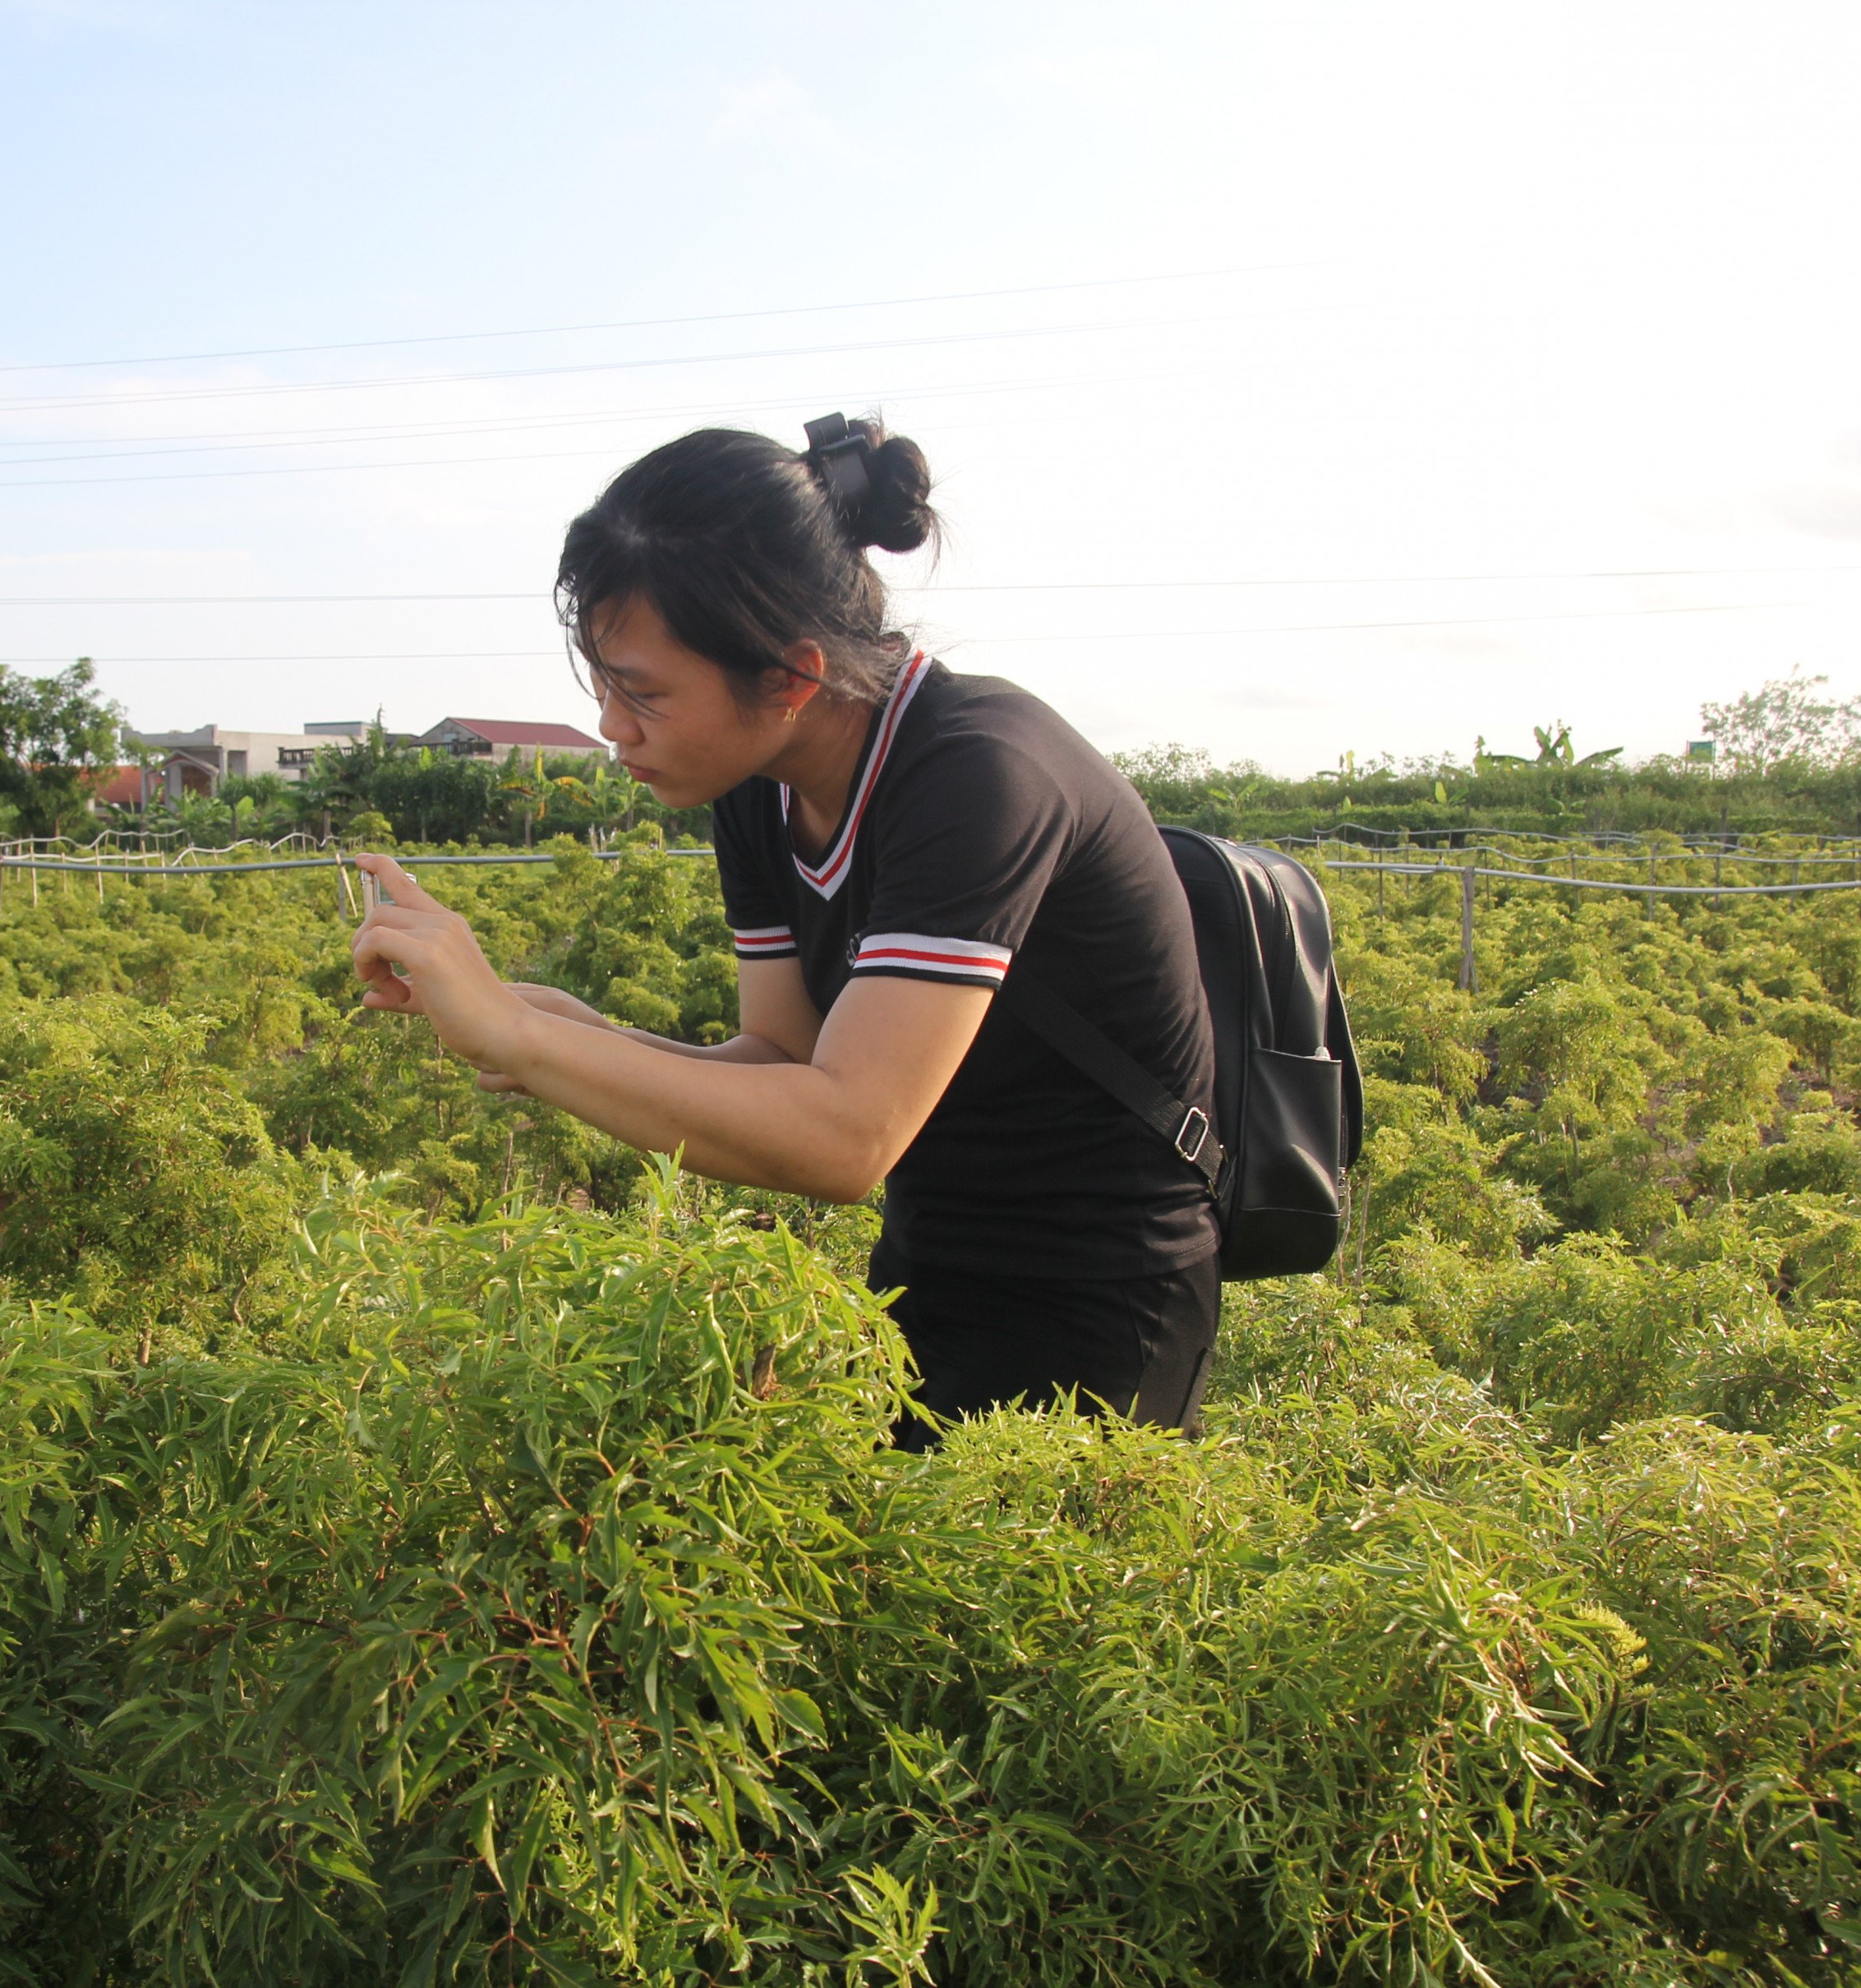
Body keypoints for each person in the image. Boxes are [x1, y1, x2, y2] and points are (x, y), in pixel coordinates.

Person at [349, 414, 1218, 1447]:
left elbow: (845, 1135)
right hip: (926, 1264)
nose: (610, 728)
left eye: (643, 692)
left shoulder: (980, 774)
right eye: (602, 683)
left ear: (792, 677)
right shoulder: (757, 786)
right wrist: (559, 1027)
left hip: (1104, 1297)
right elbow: (782, 1057)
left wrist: (526, 1043)